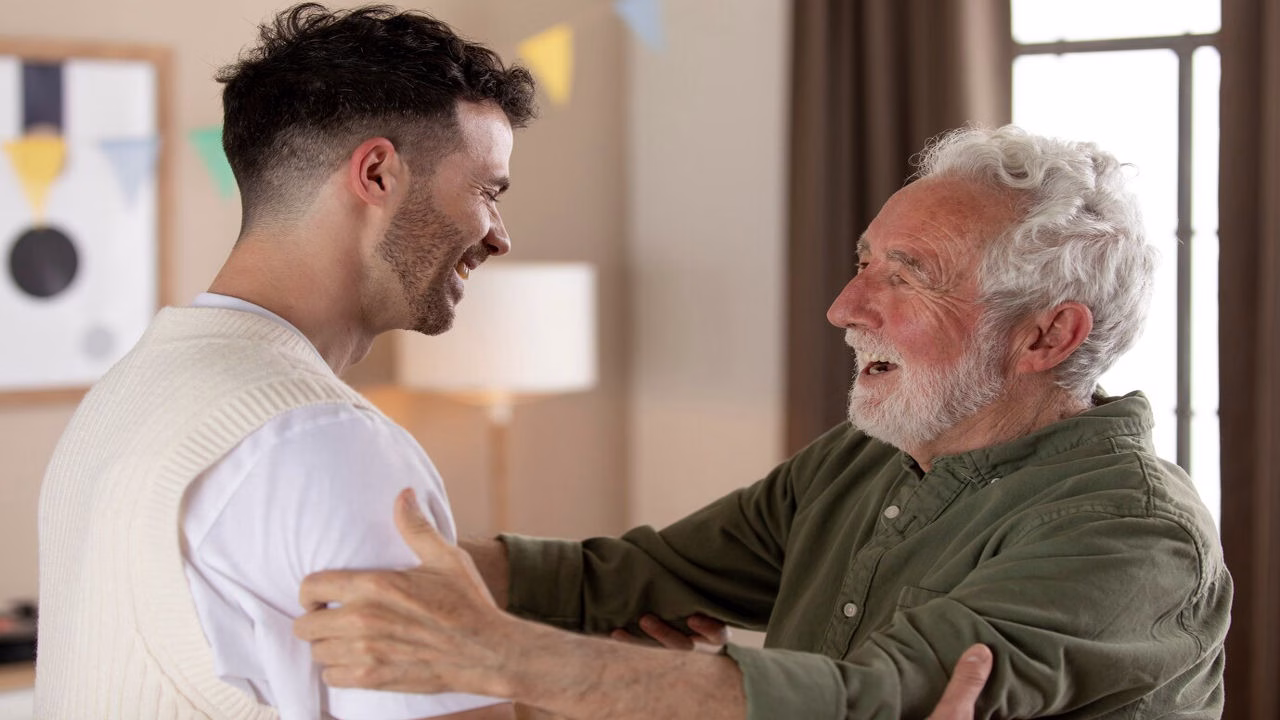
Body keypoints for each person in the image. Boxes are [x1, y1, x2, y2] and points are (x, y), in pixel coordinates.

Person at [293, 126, 1233, 719]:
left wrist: (493, 652)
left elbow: (864, 703)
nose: (843, 305)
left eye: (907, 275)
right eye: (867, 261)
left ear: (1046, 335)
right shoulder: (864, 458)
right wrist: (343, 551)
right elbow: (633, 578)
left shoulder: (1131, 537)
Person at [35, 4, 535, 719]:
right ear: (378, 173)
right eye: (488, 191)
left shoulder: (130, 389)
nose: (499, 237)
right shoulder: (326, 439)